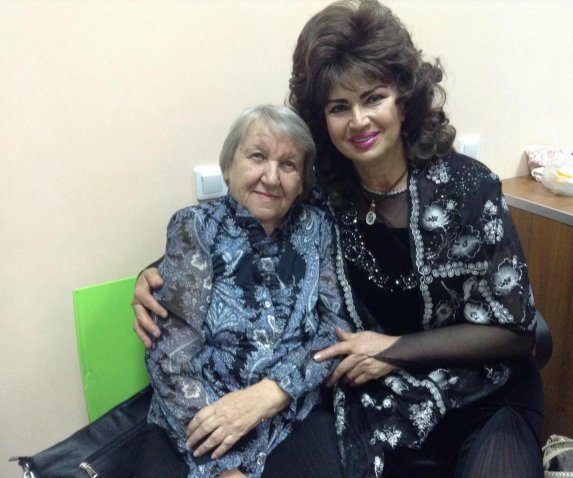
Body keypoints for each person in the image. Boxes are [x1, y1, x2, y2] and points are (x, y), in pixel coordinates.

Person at [133, 1, 544, 477]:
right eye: (338, 107)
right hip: (383, 403)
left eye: (374, 98)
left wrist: (391, 349)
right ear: (321, 118)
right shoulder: (323, 195)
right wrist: (156, 273)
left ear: (403, 99)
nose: (359, 121)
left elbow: (516, 331)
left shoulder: (468, 187)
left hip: (484, 392)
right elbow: (242, 233)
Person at [137, 104, 350, 478]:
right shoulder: (195, 229)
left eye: (288, 165)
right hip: (196, 418)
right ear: (227, 167)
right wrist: (222, 467)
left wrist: (275, 391)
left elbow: (334, 330)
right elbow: (170, 360)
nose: (271, 177)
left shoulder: (316, 227)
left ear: (302, 181)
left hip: (290, 414)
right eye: (257, 157)